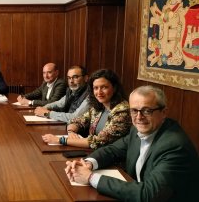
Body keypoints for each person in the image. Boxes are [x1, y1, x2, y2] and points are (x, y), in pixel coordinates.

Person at [65, 85, 199, 202]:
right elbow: (112, 150)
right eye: (134, 110)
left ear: (163, 113)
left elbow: (149, 195)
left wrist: (90, 177)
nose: (139, 117)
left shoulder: (174, 146)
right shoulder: (137, 129)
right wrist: (88, 163)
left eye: (147, 111)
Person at [42, 69, 131, 150]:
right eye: (96, 88)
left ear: (114, 88)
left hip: (114, 161)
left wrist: (61, 140)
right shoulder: (98, 106)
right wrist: (71, 131)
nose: (99, 92)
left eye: (104, 87)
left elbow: (98, 141)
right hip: (94, 153)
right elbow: (77, 121)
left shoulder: (122, 111)